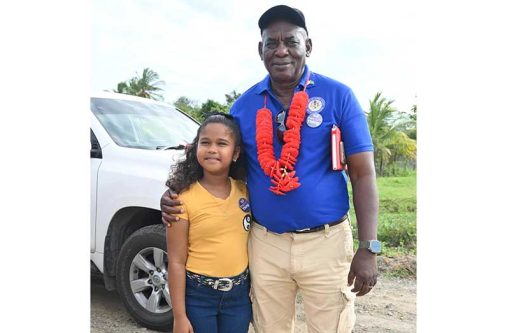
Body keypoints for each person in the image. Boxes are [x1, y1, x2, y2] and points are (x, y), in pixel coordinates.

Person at [162, 5, 380, 333]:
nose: (281, 50)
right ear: (260, 50)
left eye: (290, 41)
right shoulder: (244, 105)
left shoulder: (338, 96)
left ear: (308, 46)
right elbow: (221, 159)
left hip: (327, 242)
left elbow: (363, 174)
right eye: (271, 43)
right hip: (266, 244)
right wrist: (176, 189)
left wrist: (369, 246)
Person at [165, 114, 252, 333]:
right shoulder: (181, 199)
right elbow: (175, 261)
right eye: (205, 143)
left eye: (222, 143)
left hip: (239, 297)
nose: (212, 149)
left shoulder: (245, 191)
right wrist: (179, 316)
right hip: (198, 297)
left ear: (236, 153)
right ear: (196, 149)